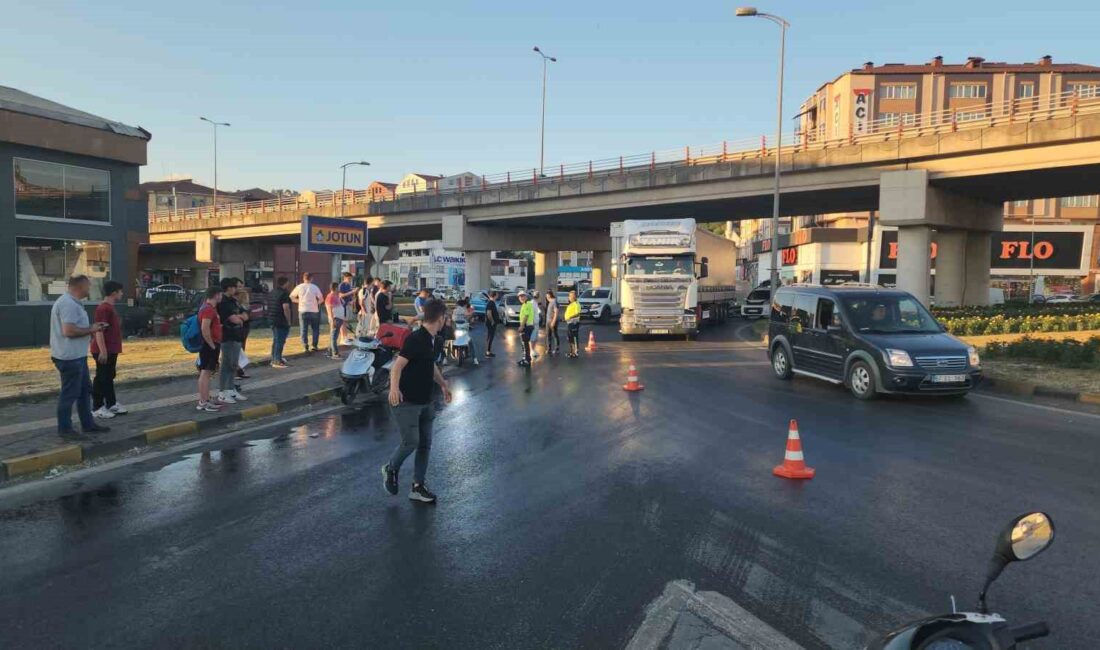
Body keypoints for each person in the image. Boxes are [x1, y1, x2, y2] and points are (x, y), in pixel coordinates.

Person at [382, 298, 453, 504]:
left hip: (425, 400)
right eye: (445, 318)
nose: (445, 322)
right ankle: (390, 468)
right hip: (407, 402)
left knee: (425, 444)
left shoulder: (433, 340)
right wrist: (394, 388)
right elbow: (397, 366)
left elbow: (430, 366)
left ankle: (418, 486)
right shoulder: (416, 338)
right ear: (440, 319)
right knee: (411, 442)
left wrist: (443, 384)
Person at [50, 275, 110, 439]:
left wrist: (93, 329)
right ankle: (65, 429)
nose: (89, 289)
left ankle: (88, 425)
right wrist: (91, 329)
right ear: (80, 286)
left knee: (84, 391)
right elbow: (68, 331)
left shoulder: (73, 303)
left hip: (77, 356)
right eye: (88, 286)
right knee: (69, 393)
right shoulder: (68, 304)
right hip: (69, 357)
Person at [91, 280, 126, 419]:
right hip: (103, 350)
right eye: (120, 291)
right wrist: (103, 351)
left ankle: (111, 403)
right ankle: (97, 407)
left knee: (109, 376)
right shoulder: (103, 309)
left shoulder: (110, 308)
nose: (122, 293)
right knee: (102, 378)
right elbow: (99, 331)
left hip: (111, 349)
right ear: (114, 293)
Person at [216, 277, 249, 404]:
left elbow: (245, 316)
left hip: (237, 335)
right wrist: (239, 318)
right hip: (227, 335)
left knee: (234, 364)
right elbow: (233, 319)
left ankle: (231, 389)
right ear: (229, 288)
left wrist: (240, 317)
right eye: (235, 287)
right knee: (226, 364)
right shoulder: (223, 302)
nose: (236, 289)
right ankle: (222, 391)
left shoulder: (233, 301)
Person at [196, 286, 225, 412]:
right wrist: (212, 345)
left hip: (211, 343)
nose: (221, 297)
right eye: (220, 294)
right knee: (205, 373)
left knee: (207, 373)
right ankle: (203, 401)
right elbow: (204, 329)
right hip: (209, 344)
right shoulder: (208, 310)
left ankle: (205, 398)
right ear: (216, 295)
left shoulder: (209, 308)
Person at [290, 272, 323, 352]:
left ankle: (305, 346)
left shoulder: (299, 287)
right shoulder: (315, 287)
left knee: (303, 329)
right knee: (315, 329)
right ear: (311, 278)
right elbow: (321, 299)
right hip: (314, 310)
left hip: (303, 309)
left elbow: (291, 297)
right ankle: (314, 345)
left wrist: (299, 301)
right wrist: (316, 303)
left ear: (303, 278)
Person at [268, 276, 292, 368]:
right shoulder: (284, 293)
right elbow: (286, 307)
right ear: (285, 283)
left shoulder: (272, 292)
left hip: (272, 319)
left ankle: (274, 358)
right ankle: (277, 360)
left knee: (276, 340)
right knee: (280, 341)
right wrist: (288, 320)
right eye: (288, 283)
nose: (288, 285)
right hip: (281, 320)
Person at [451, 298, 480, 366]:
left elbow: (453, 318)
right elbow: (468, 315)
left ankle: (445, 359)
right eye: (466, 305)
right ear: (464, 305)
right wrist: (472, 313)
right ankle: (475, 359)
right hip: (463, 329)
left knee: (450, 341)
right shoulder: (462, 310)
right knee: (471, 343)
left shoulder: (455, 310)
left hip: (457, 330)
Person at [325, 281, 346, 360]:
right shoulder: (330, 296)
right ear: (335, 288)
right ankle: (335, 353)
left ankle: (330, 352)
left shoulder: (336, 296)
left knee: (333, 336)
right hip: (335, 319)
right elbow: (329, 308)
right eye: (338, 287)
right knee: (334, 336)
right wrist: (332, 319)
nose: (339, 289)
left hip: (339, 318)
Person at [517, 291, 535, 367]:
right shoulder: (525, 304)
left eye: (523, 296)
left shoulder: (527, 304)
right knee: (525, 343)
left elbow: (526, 316)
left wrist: (522, 326)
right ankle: (527, 358)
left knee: (524, 344)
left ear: (526, 297)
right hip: (528, 326)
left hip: (526, 326)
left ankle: (526, 360)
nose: (521, 298)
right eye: (520, 296)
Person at [338, 272, 357, 342]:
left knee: (345, 322)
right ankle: (342, 338)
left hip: (346, 305)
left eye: (350, 279)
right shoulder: (341, 285)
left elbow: (348, 296)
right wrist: (352, 292)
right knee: (342, 322)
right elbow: (341, 295)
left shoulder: (348, 285)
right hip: (341, 306)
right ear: (345, 278)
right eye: (349, 279)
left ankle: (345, 337)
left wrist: (351, 301)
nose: (350, 280)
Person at [565, 290, 582, 358]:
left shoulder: (576, 304)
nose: (569, 297)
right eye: (569, 296)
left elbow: (577, 313)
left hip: (574, 322)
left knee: (574, 337)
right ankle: (572, 352)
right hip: (569, 323)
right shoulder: (571, 304)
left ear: (574, 297)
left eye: (570, 296)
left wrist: (570, 317)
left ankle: (576, 352)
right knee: (570, 337)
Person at [484, 290, 500, 358]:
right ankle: (488, 352)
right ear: (495, 295)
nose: (498, 296)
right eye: (497, 294)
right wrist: (492, 321)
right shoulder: (491, 303)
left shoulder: (491, 302)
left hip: (490, 323)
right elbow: (488, 313)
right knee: (490, 337)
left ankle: (488, 351)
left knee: (490, 337)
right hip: (491, 323)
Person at [545, 291, 560, 356]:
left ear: (549, 296)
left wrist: (553, 322)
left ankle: (557, 349)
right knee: (548, 335)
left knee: (555, 334)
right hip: (548, 321)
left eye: (547, 296)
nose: (546, 297)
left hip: (552, 321)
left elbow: (556, 312)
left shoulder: (554, 301)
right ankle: (549, 349)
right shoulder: (550, 302)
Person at [530, 290, 542, 359]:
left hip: (536, 323)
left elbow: (538, 311)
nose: (537, 296)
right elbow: (531, 314)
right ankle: (531, 351)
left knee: (535, 338)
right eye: (537, 295)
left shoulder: (535, 303)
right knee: (532, 338)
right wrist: (532, 322)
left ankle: (533, 350)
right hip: (533, 323)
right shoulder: (532, 303)